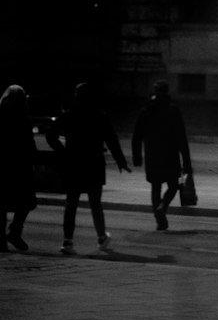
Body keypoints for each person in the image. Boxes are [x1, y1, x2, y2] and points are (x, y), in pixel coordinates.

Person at [45, 82, 130, 253]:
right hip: (94, 164)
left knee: (71, 204)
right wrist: (121, 162)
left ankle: (67, 241)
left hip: (74, 163)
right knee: (95, 203)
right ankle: (101, 237)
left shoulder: (68, 116)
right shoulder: (100, 116)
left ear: (76, 97)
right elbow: (112, 141)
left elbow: (50, 135)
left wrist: (63, 151)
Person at [131, 81, 192, 231]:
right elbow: (181, 137)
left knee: (155, 186)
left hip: (153, 155)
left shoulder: (146, 110)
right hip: (170, 154)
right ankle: (162, 207)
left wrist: (137, 157)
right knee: (173, 186)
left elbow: (136, 136)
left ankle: (160, 220)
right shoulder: (173, 110)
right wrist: (187, 162)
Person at [1, 84, 38, 252]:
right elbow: (29, 145)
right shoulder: (24, 118)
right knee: (26, 202)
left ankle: (2, 240)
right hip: (20, 166)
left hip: (3, 165)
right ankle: (15, 230)